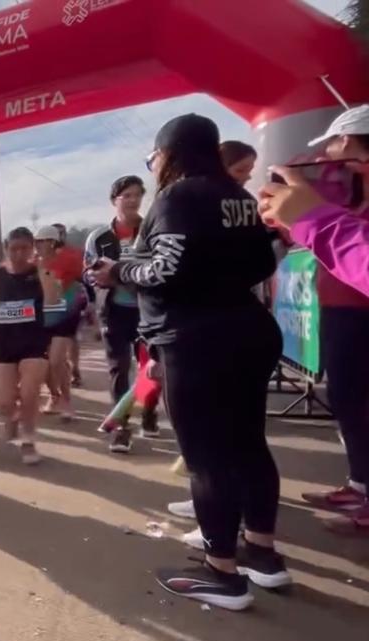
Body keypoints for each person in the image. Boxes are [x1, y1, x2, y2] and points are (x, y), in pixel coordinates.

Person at [93, 114, 285, 610]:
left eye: (154, 156)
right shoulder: (240, 199)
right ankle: (262, 554)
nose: (154, 165)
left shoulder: (179, 197)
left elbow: (166, 269)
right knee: (248, 445)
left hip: (197, 339)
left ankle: (222, 571)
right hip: (249, 329)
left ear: (171, 154)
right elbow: (266, 261)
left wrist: (119, 270)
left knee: (207, 459)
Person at [260, 105, 369, 533]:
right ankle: (360, 484)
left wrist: (312, 216)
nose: (327, 152)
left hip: (359, 306)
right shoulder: (338, 185)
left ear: (355, 142)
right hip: (340, 304)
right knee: (346, 398)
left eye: (336, 142)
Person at [85, 175, 159, 451]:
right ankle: (121, 427)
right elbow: (90, 272)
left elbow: (159, 269)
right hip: (114, 311)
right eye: (126, 195)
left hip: (148, 312)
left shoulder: (152, 230)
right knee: (118, 367)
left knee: (149, 369)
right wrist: (99, 279)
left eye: (137, 195)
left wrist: (119, 275)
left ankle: (149, 410)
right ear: (114, 200)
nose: (132, 200)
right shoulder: (99, 237)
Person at [0, 227, 59, 465]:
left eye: (24, 248)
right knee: (4, 400)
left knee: (30, 392)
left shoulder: (40, 272)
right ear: (5, 249)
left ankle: (29, 440)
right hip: (3, 341)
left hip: (33, 340)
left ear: (32, 248)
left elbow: (53, 300)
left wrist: (43, 268)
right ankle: (11, 417)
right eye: (13, 249)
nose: (18, 254)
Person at [36, 225, 84, 421]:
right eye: (36, 242)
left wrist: (75, 303)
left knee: (56, 360)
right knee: (45, 363)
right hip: (42, 318)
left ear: (51, 242)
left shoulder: (70, 259)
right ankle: (54, 396)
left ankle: (66, 400)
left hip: (64, 316)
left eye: (40, 241)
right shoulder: (34, 263)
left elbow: (82, 281)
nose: (37, 245)